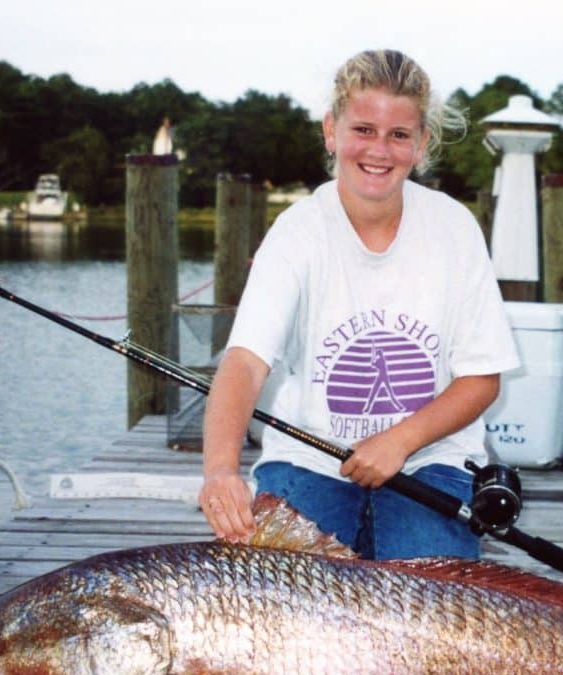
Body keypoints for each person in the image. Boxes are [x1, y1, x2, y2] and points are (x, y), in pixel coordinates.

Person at [199, 49, 519, 559]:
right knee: (285, 594)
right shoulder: (296, 232)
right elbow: (244, 361)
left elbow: (482, 378)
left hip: (430, 457)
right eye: (363, 130)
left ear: (422, 144)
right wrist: (220, 471)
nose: (379, 150)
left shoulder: (454, 227)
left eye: (399, 135)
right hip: (311, 458)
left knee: (428, 602)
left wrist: (400, 440)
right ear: (331, 131)